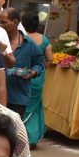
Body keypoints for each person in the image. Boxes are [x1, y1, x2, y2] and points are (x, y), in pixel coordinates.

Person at [0, 7, 44, 119]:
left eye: (3, 22)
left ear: (14, 22)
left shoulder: (29, 44)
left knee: (13, 130)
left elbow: (39, 62)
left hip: (18, 97)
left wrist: (33, 72)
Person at [20, 10, 51, 145]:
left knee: (21, 106)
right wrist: (39, 68)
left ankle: (19, 136)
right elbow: (50, 59)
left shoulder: (20, 38)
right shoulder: (43, 40)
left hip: (21, 76)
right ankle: (31, 138)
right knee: (34, 108)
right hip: (37, 78)